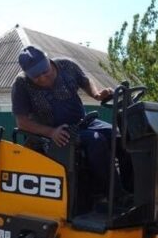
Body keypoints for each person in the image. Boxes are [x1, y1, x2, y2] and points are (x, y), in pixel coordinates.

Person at [10, 46, 113, 193]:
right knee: (96, 141)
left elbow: (85, 81)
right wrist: (51, 132)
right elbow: (22, 122)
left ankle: (130, 187)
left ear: (48, 60)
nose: (42, 78)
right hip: (53, 135)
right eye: (36, 76)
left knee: (116, 135)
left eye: (45, 71)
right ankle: (110, 194)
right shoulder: (21, 84)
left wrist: (96, 94)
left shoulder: (67, 65)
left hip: (82, 122)